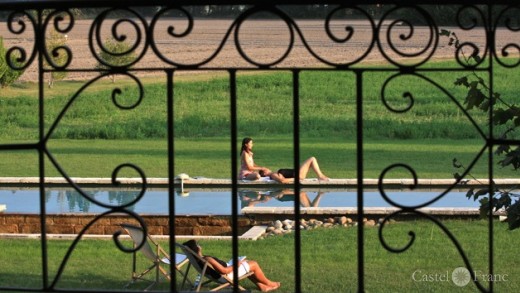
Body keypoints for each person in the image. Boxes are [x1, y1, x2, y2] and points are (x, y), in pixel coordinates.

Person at [183, 239, 281, 292]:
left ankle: (262, 287)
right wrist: (236, 265)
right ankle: (270, 284)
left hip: (225, 271)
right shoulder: (207, 259)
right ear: (197, 248)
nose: (200, 245)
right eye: (198, 244)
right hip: (227, 276)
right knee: (254, 264)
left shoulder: (198, 259)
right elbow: (224, 271)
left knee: (247, 264)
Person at [260, 156, 330, 183]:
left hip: (297, 173)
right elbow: (282, 181)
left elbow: (282, 179)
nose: (267, 168)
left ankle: (319, 194)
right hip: (297, 175)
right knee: (312, 159)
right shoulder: (272, 174)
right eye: (265, 169)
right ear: (264, 173)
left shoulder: (274, 174)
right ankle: (320, 176)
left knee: (311, 160)